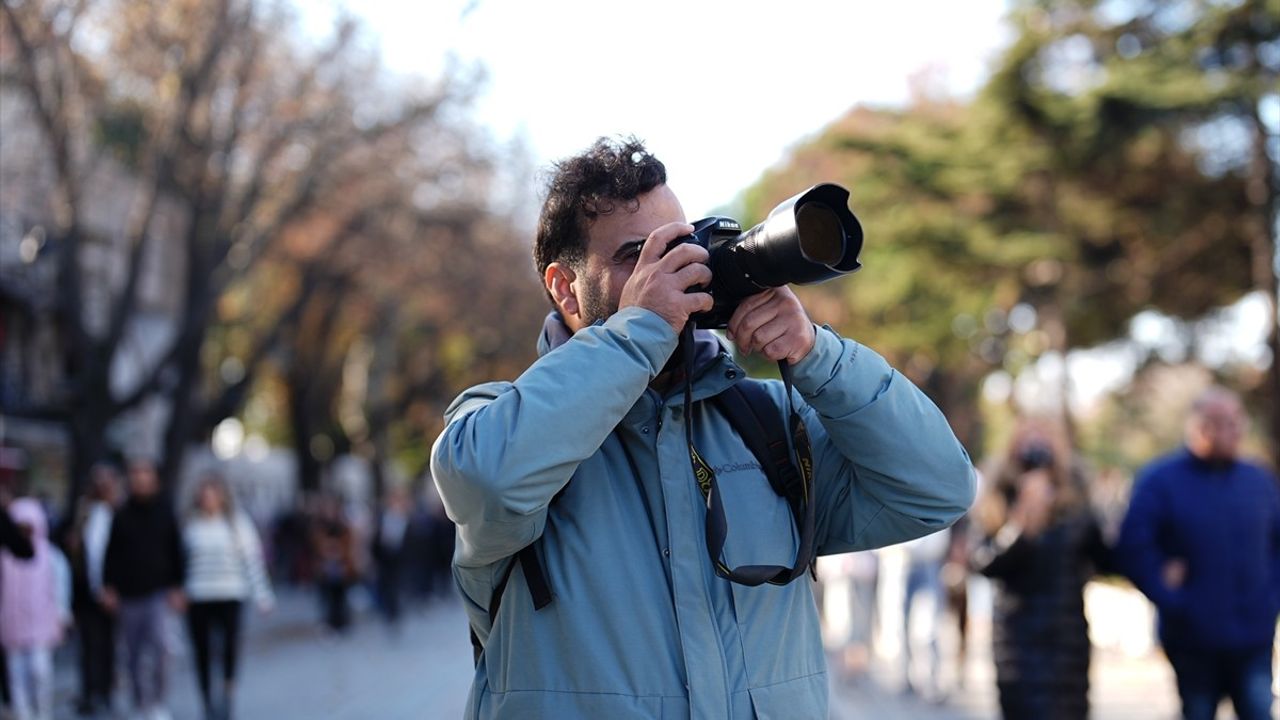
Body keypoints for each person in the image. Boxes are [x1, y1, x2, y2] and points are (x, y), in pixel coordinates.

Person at [430, 137, 975, 718]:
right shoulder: (497, 420)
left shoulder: (768, 425)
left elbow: (938, 488)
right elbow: (485, 480)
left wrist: (817, 356)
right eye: (636, 256)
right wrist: (642, 331)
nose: (672, 272)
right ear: (565, 288)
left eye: (681, 247)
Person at [1116, 387, 1280, 720]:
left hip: (1254, 638)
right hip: (1192, 641)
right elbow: (1133, 547)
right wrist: (1172, 598)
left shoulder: (1259, 480)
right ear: (1198, 425)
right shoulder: (1160, 480)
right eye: (1221, 421)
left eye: (1237, 421)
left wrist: (1271, 598)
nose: (1231, 430)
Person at [969, 417, 1110, 720]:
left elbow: (1105, 558)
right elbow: (984, 563)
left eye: (1045, 438)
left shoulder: (1077, 496)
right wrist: (1021, 523)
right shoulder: (999, 494)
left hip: (1066, 639)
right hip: (1016, 639)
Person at [181, 473, 274, 720]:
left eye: (213, 494)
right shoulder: (190, 525)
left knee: (230, 648)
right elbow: (178, 562)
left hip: (230, 593)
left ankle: (227, 695)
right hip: (198, 595)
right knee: (201, 650)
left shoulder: (237, 523)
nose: (208, 499)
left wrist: (263, 595)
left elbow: (252, 560)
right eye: (204, 495)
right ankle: (206, 700)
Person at [103, 459, 186, 720]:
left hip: (158, 593)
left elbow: (176, 550)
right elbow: (112, 553)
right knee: (133, 655)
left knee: (163, 648)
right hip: (129, 595)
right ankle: (141, 702)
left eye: (145, 473)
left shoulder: (166, 511)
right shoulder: (122, 513)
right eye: (136, 474)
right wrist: (109, 587)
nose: (140, 479)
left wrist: (178, 586)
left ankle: (158, 701)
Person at [0, 498, 71, 720]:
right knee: (16, 675)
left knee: (40, 671)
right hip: (11, 624)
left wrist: (62, 613)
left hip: (41, 622)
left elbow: (60, 585)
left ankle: (42, 713)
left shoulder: (49, 555)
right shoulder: (5, 556)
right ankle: (23, 714)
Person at [64, 464, 122, 716]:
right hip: (85, 589)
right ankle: (89, 692)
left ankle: (107, 692)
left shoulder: (120, 513)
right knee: (87, 643)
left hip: (113, 589)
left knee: (109, 643)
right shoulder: (82, 511)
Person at [370, 487, 411, 626]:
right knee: (386, 586)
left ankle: (395, 612)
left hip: (400, 559)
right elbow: (375, 539)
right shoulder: (382, 517)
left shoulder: (406, 518)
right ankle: (388, 612)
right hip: (385, 558)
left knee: (396, 587)